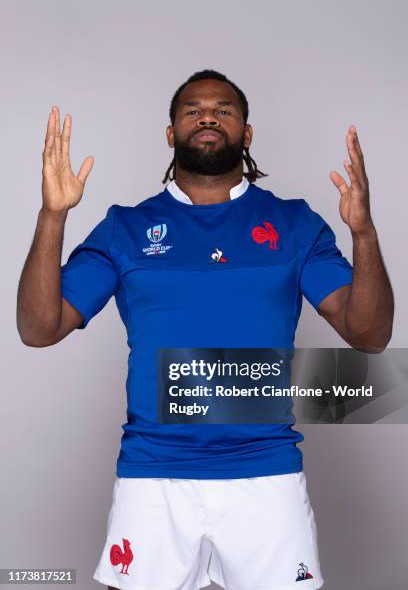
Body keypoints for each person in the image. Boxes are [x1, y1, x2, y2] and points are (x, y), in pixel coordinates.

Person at [17, 69, 394, 590]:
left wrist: (364, 233)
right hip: (154, 477)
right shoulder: (125, 228)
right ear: (171, 134)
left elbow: (369, 334)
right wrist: (51, 216)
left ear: (246, 131)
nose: (208, 116)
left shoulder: (295, 223)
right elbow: (39, 328)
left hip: (266, 474)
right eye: (192, 109)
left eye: (223, 108)